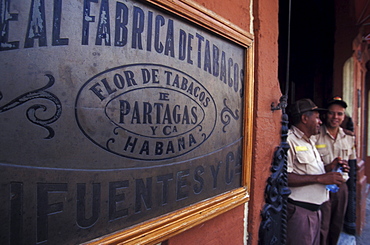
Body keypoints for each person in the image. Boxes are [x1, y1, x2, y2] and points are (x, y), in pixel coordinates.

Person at [286, 98, 348, 245]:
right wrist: (321, 178)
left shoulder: (310, 141)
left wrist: (330, 167)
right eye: (317, 117)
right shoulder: (290, 140)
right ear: (304, 118)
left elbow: (310, 171)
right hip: (300, 213)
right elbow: (285, 178)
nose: (320, 121)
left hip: (316, 211)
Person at [314, 96, 356, 245]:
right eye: (332, 113)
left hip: (341, 187)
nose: (335, 117)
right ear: (326, 114)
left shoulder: (349, 137)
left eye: (340, 114)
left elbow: (352, 167)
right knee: (322, 225)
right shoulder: (315, 135)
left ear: (344, 116)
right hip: (321, 186)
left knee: (337, 224)